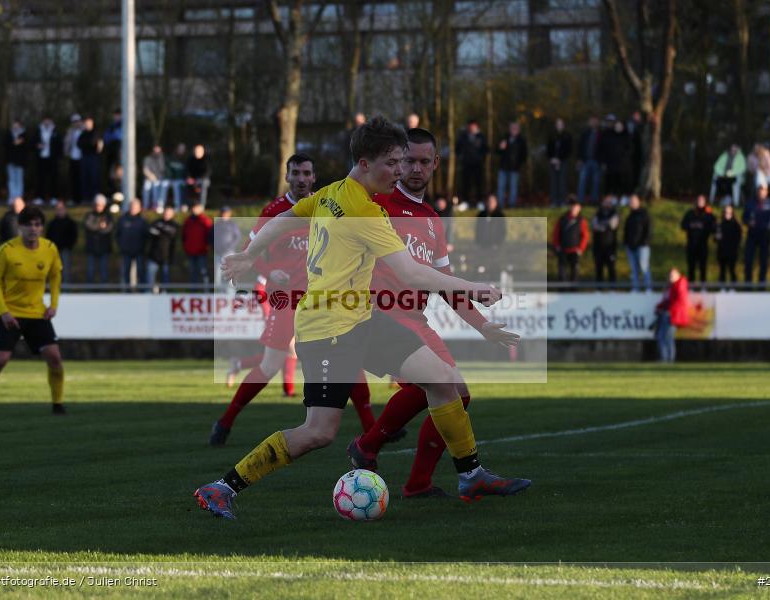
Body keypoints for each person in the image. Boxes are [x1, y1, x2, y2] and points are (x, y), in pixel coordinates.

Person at [194, 116, 530, 520]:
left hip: (360, 318)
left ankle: (470, 474)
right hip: (328, 332)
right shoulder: (364, 212)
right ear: (367, 162)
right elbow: (412, 274)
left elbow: (288, 218)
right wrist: (473, 286)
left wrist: (250, 252)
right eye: (392, 163)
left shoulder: (333, 192)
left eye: (404, 162)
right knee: (318, 432)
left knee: (444, 381)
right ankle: (221, 487)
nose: (400, 171)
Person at [347, 127, 520, 498]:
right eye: (408, 160)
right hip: (380, 313)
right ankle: (380, 452)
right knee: (438, 385)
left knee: (457, 393)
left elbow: (444, 283)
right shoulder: (377, 203)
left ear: (436, 164)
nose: (415, 168)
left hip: (414, 318)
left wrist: (483, 325)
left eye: (425, 161)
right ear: (397, 160)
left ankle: (403, 473)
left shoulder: (431, 220)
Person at [210, 154, 375, 443]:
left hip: (323, 299)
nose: (301, 178)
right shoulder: (274, 211)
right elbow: (251, 254)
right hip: (287, 300)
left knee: (349, 358)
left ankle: (372, 429)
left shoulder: (327, 205)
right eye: (295, 172)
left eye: (306, 173)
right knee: (270, 365)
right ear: (287, 176)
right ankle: (225, 422)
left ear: (314, 177)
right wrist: (270, 270)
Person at [0, 206, 65, 415]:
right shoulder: (7, 250)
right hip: (9, 313)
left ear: (42, 228)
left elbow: (55, 276)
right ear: (19, 227)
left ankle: (58, 404)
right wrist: (3, 310)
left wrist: (53, 305)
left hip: (37, 313)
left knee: (54, 357)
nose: (33, 229)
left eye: (37, 225)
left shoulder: (50, 248)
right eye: (28, 225)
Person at [743, 185, 770, 287]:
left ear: (767, 192)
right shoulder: (750, 203)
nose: (762, 193)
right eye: (760, 191)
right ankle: (748, 285)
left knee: (763, 262)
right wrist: (748, 222)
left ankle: (762, 285)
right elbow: (744, 217)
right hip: (752, 235)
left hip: (765, 236)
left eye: (764, 191)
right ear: (757, 192)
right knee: (748, 260)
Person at [654, 268, 689, 363]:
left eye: (673, 275)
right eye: (669, 275)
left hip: (673, 315)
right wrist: (659, 307)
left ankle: (667, 359)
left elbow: (679, 301)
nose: (671, 277)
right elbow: (668, 301)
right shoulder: (672, 286)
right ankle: (667, 358)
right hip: (669, 314)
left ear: (678, 275)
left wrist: (669, 310)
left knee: (665, 337)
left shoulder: (680, 284)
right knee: (665, 337)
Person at [680, 194, 716, 285]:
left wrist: (704, 227)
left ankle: (703, 286)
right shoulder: (690, 213)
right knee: (691, 267)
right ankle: (691, 286)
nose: (700, 202)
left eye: (702, 201)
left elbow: (713, 227)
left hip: (703, 244)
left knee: (702, 267)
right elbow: (683, 225)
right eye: (699, 200)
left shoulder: (708, 214)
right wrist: (691, 226)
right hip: (691, 244)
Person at [553, 197, 589, 283]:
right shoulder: (562, 219)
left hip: (575, 250)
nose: (573, 208)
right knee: (562, 271)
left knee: (574, 272)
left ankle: (574, 292)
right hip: (563, 249)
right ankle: (562, 291)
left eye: (576, 207)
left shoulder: (581, 220)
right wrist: (557, 246)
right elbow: (556, 233)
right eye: (572, 206)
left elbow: (585, 236)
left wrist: (580, 249)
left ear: (579, 208)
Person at [116, 198, 149, 289]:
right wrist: (122, 246)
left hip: (139, 251)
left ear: (139, 208)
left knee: (141, 272)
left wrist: (143, 247)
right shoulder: (122, 219)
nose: (133, 208)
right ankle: (127, 293)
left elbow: (147, 236)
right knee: (126, 272)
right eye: (132, 206)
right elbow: (117, 235)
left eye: (135, 207)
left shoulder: (143, 221)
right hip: (126, 251)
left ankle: (142, 292)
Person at [455, 119, 488, 207]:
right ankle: (465, 202)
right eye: (470, 126)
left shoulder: (481, 136)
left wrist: (481, 157)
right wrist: (461, 156)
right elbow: (457, 148)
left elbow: (486, 149)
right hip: (466, 164)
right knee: (466, 184)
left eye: (473, 126)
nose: (472, 128)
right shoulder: (463, 136)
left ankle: (480, 202)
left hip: (478, 164)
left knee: (479, 184)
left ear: (477, 127)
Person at [601, 117, 634, 204]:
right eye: (617, 126)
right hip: (612, 164)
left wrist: (623, 156)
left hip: (624, 165)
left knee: (623, 181)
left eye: (620, 126)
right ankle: (614, 197)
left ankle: (624, 197)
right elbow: (606, 150)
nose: (618, 127)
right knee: (612, 181)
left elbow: (630, 150)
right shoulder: (610, 136)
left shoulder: (627, 136)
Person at [495, 121, 527, 208]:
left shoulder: (521, 141)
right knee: (501, 187)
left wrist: (519, 165)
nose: (514, 130)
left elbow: (524, 155)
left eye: (516, 128)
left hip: (515, 168)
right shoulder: (504, 138)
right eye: (512, 128)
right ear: (510, 129)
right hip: (503, 167)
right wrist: (500, 148)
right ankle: (500, 205)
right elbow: (497, 151)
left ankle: (511, 205)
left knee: (513, 188)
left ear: (518, 130)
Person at [624, 194, 652, 291]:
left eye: (634, 201)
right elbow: (626, 231)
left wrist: (644, 242)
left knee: (644, 267)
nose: (632, 203)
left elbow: (648, 229)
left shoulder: (644, 214)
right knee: (634, 270)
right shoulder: (630, 216)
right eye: (630, 201)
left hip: (642, 246)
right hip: (630, 247)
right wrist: (626, 243)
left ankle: (648, 289)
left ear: (639, 202)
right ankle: (635, 289)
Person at [46, 200, 78, 284]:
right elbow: (48, 236)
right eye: (57, 209)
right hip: (54, 250)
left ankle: (66, 287)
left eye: (61, 208)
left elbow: (74, 236)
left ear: (65, 209)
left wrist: (69, 246)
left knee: (66, 269)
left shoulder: (70, 222)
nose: (59, 211)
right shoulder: (52, 223)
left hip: (65, 250)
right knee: (54, 270)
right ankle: (55, 287)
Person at [146, 206, 179, 289]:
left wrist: (160, 231)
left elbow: (171, 234)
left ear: (172, 214)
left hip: (166, 255)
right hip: (154, 255)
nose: (166, 215)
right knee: (150, 275)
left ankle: (165, 292)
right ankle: (149, 292)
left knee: (165, 276)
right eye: (165, 213)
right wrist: (163, 232)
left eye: (169, 213)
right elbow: (150, 231)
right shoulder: (156, 222)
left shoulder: (174, 225)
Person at [84, 194, 114, 284]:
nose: (99, 207)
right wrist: (100, 226)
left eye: (101, 205)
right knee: (90, 272)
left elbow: (108, 229)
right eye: (97, 204)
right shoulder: (89, 215)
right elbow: (88, 226)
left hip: (104, 248)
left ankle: (104, 293)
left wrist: (98, 227)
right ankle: (89, 292)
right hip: (91, 248)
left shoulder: (108, 216)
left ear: (104, 205)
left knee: (103, 272)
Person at [32, 116, 61, 206]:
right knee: (41, 178)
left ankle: (54, 197)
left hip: (52, 158)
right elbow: (33, 142)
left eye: (48, 120)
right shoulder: (38, 130)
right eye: (45, 120)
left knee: (53, 178)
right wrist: (38, 146)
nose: (47, 122)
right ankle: (40, 197)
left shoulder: (55, 131)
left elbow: (60, 144)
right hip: (41, 158)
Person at [591, 195, 620, 284]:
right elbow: (595, 226)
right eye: (605, 201)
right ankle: (599, 290)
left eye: (609, 201)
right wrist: (605, 225)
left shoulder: (614, 213)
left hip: (610, 246)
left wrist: (603, 225)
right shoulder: (598, 213)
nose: (607, 203)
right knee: (599, 269)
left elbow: (612, 225)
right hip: (598, 246)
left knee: (611, 268)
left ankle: (613, 289)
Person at [182, 202, 212, 285]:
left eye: (196, 208)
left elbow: (209, 235)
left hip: (202, 251)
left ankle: (206, 291)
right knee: (192, 272)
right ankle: (193, 291)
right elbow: (184, 235)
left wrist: (207, 246)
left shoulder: (205, 221)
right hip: (191, 251)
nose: (194, 209)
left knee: (203, 271)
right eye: (193, 207)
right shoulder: (188, 221)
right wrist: (186, 247)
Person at [576, 115, 603, 205]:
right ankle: (580, 200)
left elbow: (604, 149)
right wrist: (579, 159)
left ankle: (594, 200)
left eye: (595, 121)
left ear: (598, 122)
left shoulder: (601, 134)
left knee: (596, 181)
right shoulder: (585, 133)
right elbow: (580, 146)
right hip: (585, 160)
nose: (593, 122)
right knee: (582, 180)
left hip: (597, 161)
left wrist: (602, 161)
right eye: (592, 121)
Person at [546, 117, 572, 207]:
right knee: (553, 182)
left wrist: (560, 159)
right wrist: (552, 159)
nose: (559, 126)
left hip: (563, 162)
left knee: (562, 182)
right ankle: (553, 201)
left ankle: (562, 201)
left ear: (563, 125)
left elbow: (568, 150)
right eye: (557, 124)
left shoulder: (567, 136)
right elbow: (548, 149)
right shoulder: (552, 135)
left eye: (561, 124)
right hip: (552, 162)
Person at [715, 205, 742, 287]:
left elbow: (738, 239)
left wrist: (734, 248)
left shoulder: (736, 225)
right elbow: (716, 238)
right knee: (722, 270)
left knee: (732, 270)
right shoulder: (720, 224)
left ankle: (733, 288)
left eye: (729, 212)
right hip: (722, 251)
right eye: (726, 212)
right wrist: (717, 237)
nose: (727, 214)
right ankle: (722, 288)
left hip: (732, 251)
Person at [77, 117, 102, 203]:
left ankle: (95, 197)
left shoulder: (96, 133)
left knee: (94, 177)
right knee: (85, 177)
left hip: (93, 158)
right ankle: (86, 198)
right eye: (86, 123)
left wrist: (87, 145)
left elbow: (93, 143)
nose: (87, 125)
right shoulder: (83, 133)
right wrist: (87, 144)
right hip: (85, 158)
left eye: (89, 123)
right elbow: (79, 144)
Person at [3, 120, 28, 203]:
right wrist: (14, 143)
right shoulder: (8, 134)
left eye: (17, 126)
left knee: (19, 180)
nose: (16, 128)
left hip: (20, 162)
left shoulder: (24, 135)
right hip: (10, 161)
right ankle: (12, 197)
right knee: (11, 180)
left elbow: (26, 148)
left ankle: (19, 197)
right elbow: (5, 146)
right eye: (14, 126)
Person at [63, 114, 84, 205]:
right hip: (73, 157)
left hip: (82, 158)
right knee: (73, 179)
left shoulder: (84, 130)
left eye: (77, 121)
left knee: (81, 179)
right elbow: (66, 143)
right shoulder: (70, 131)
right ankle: (74, 198)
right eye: (74, 121)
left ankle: (81, 198)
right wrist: (66, 153)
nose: (76, 123)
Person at [142, 145, 168, 211]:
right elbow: (145, 170)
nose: (157, 152)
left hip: (160, 179)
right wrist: (152, 176)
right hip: (150, 178)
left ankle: (158, 205)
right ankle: (146, 206)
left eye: (158, 151)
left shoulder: (163, 159)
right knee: (148, 186)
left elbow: (165, 171)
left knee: (164, 184)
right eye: (155, 150)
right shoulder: (148, 158)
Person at [166, 143, 188, 209]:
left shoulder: (186, 159)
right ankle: (177, 206)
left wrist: (187, 178)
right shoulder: (172, 158)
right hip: (174, 180)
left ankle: (184, 205)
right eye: (180, 149)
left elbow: (188, 171)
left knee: (184, 186)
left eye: (182, 149)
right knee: (176, 185)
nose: (181, 150)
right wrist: (171, 178)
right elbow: (168, 170)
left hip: (184, 179)